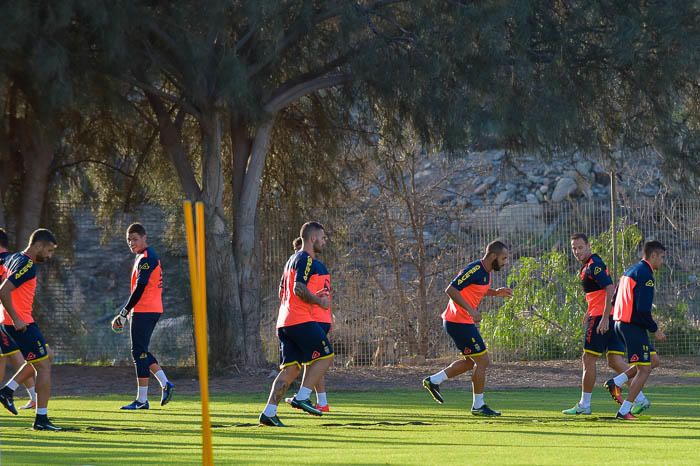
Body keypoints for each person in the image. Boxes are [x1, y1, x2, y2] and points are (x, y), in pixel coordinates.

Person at [422, 240, 512, 417]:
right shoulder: (475, 269)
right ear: (493, 256)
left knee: (471, 362)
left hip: (462, 322)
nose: (505, 262)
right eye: (503, 258)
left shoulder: (486, 273)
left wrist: (494, 292)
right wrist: (471, 311)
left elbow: (475, 288)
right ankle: (478, 406)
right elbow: (451, 289)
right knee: (483, 361)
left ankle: (434, 380)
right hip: (458, 322)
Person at [259, 222, 334, 427]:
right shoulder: (305, 258)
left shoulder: (290, 260)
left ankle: (269, 412)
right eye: (322, 237)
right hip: (299, 319)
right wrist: (318, 301)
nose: (323, 241)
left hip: (283, 322)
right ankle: (302, 397)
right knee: (326, 354)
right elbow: (299, 288)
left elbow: (283, 291)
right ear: (312, 239)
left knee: (291, 371)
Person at [562, 233, 646, 415]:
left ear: (589, 246)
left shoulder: (594, 266)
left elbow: (610, 288)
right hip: (610, 316)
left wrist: (604, 317)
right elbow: (598, 293)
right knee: (615, 361)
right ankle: (640, 398)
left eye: (580, 247)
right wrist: (590, 310)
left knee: (588, 359)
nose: (577, 251)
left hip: (602, 318)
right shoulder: (589, 265)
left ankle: (585, 405)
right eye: (574, 248)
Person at [0, 228, 60, 430]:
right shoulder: (27, 265)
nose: (49, 255)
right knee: (43, 366)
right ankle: (41, 420)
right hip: (21, 323)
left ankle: (8, 390)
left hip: (11, 321)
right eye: (49, 250)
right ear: (38, 245)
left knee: (45, 356)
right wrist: (16, 318)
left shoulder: (14, 258)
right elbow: (4, 290)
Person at [111, 223, 174, 410]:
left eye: (135, 239)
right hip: (145, 310)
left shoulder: (147, 257)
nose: (131, 243)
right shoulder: (142, 257)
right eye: (129, 240)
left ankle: (142, 400)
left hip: (146, 310)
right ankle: (164, 384)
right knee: (141, 351)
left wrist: (123, 312)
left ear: (145, 237)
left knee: (138, 352)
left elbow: (141, 287)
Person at [611, 241, 666, 420]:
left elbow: (614, 299)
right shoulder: (646, 275)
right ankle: (624, 410)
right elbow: (643, 310)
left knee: (653, 360)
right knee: (644, 369)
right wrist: (655, 329)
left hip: (620, 323)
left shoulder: (630, 270)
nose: (662, 261)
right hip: (632, 326)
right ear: (653, 256)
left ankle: (616, 382)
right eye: (662, 257)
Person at [285, 236, 333, 413]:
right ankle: (318, 400)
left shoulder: (307, 264)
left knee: (316, 360)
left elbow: (304, 292)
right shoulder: (322, 266)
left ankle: (319, 401)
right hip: (324, 317)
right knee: (312, 361)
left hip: (313, 317)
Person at [0, 228, 38, 410]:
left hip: (7, 319)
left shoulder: (7, 262)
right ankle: (33, 397)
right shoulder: (14, 259)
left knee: (16, 358)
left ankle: (10, 392)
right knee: (18, 358)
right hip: (11, 319)